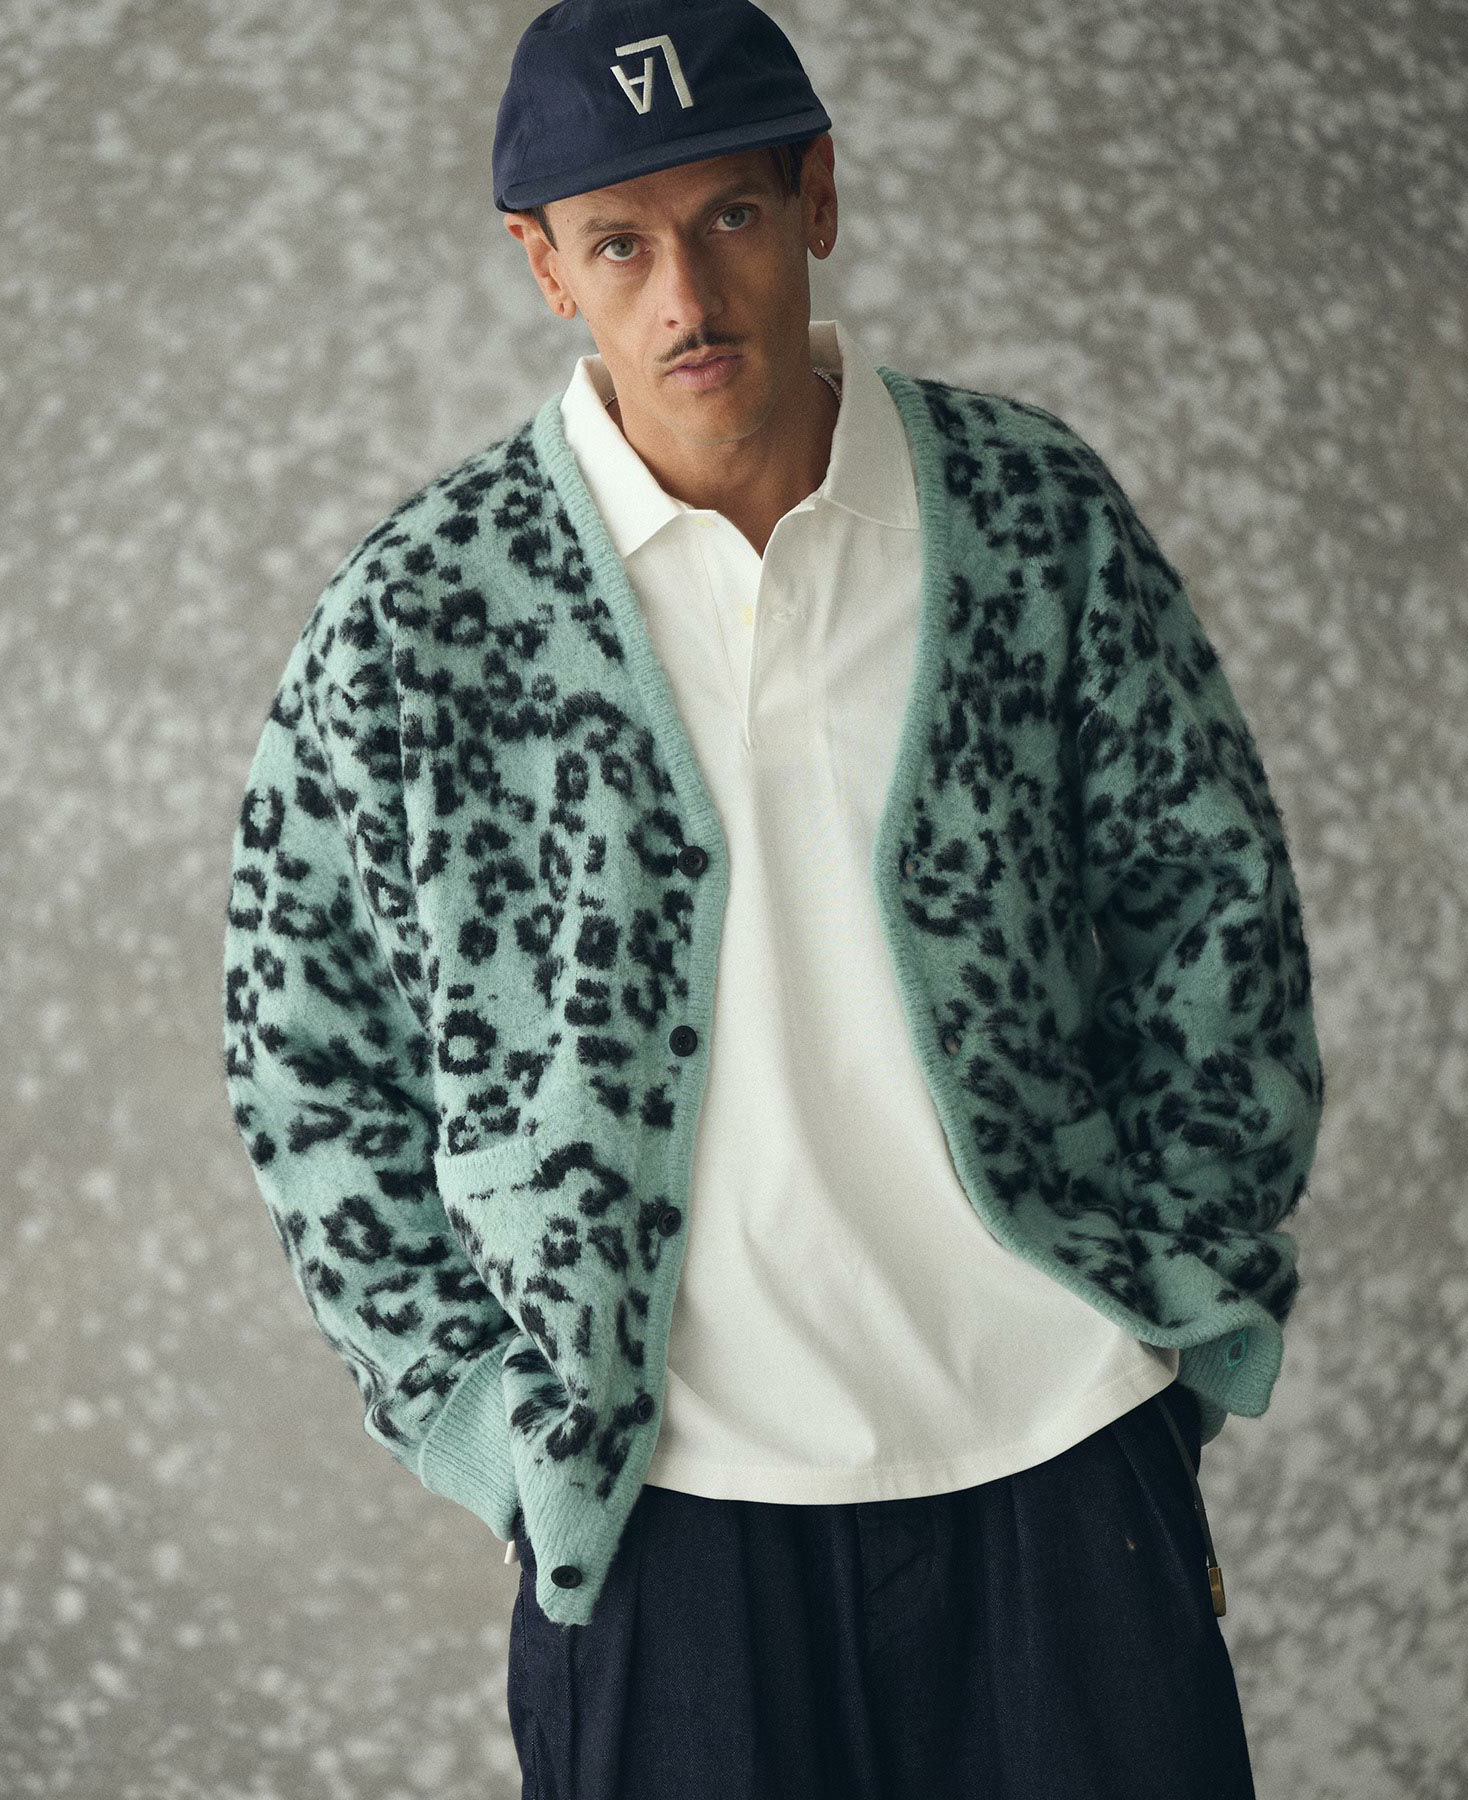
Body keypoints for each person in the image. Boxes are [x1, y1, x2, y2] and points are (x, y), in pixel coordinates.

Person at [222, 2, 1324, 1794]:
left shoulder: (1026, 519)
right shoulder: (421, 618)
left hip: (1060, 1446)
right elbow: (302, 1061)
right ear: (544, 265)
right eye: (619, 244)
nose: (685, 295)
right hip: (666, 1515)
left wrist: (1178, 1289)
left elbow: (1215, 916)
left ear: (816, 194)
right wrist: (489, 1419)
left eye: (728, 214)